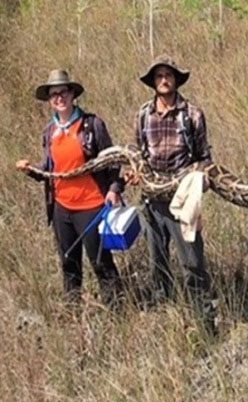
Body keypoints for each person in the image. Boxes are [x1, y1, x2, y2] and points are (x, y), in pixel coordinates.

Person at [15, 69, 124, 310]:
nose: (58, 98)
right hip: (61, 208)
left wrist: (114, 189)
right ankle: (72, 310)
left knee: (100, 262)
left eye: (63, 92)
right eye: (53, 94)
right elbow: (51, 169)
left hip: (92, 205)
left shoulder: (92, 125)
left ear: (72, 94)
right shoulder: (49, 131)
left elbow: (114, 160)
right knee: (68, 262)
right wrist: (32, 170)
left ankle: (118, 310)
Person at [131, 55, 217, 335]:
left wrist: (195, 177)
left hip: (183, 200)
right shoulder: (143, 115)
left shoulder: (192, 114)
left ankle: (205, 320)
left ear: (176, 79)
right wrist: (134, 175)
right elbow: (138, 156)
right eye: (158, 76)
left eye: (168, 75)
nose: (164, 80)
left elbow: (205, 158)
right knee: (157, 262)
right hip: (152, 201)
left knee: (192, 262)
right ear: (153, 83)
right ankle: (164, 319)